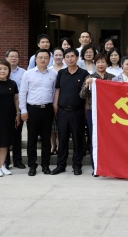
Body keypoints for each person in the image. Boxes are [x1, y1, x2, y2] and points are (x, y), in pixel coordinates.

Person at [19, 49, 57, 176]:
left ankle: (45, 165)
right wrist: (23, 110)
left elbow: (54, 92)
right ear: (35, 59)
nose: (43, 60)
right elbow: (23, 93)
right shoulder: (28, 74)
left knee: (46, 139)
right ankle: (32, 165)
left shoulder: (53, 74)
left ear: (49, 60)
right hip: (32, 110)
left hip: (47, 109)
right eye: (40, 57)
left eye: (46, 58)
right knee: (32, 139)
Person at [52, 48, 89, 176]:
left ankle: (77, 165)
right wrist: (55, 105)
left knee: (78, 139)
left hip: (77, 111)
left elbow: (86, 94)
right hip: (62, 111)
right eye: (67, 57)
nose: (70, 59)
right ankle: (60, 165)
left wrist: (85, 110)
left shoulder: (83, 73)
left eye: (72, 56)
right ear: (64, 59)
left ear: (77, 58)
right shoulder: (61, 73)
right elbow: (58, 90)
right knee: (62, 139)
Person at [80, 53, 115, 176]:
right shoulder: (90, 77)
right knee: (94, 138)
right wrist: (86, 85)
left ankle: (109, 166)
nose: (101, 64)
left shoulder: (112, 78)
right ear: (95, 63)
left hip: (108, 113)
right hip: (93, 112)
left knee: (109, 139)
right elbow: (82, 95)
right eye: (98, 62)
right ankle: (96, 168)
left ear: (107, 64)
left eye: (103, 62)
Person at [4, 49, 26, 170]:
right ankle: (6, 161)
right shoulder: (2, 71)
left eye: (16, 56)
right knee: (6, 135)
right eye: (11, 56)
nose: (13, 58)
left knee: (17, 134)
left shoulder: (23, 72)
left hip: (19, 106)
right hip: (5, 107)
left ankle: (17, 161)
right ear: (6, 58)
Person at [48, 47, 66, 156]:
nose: (58, 57)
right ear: (53, 57)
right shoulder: (49, 69)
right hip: (51, 100)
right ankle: (53, 145)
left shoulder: (67, 68)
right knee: (52, 126)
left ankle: (60, 146)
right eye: (56, 55)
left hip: (63, 101)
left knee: (60, 126)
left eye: (60, 55)